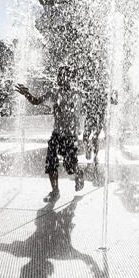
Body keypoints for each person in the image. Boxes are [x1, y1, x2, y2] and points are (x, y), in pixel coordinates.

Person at [15, 66, 85, 202]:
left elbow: (85, 106)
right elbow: (36, 101)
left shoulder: (76, 93)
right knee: (51, 162)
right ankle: (55, 190)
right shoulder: (53, 92)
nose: (59, 78)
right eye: (59, 75)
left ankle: (78, 173)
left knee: (69, 166)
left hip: (70, 136)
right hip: (57, 134)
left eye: (63, 76)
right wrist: (26, 94)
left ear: (69, 78)